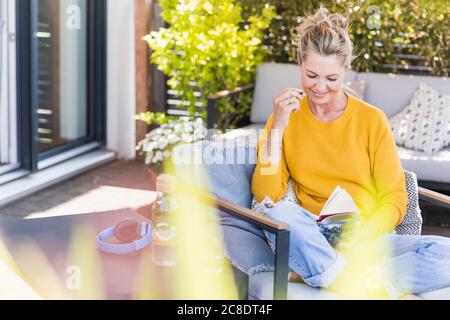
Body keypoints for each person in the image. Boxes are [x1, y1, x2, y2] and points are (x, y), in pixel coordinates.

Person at [251, 6, 450, 299]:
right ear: (299, 65)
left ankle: (337, 276)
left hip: (365, 239)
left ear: (346, 70)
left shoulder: (372, 120)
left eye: (331, 78)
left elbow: (395, 196)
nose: (320, 87)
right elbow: (266, 194)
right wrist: (278, 126)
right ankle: (358, 280)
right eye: (311, 75)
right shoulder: (285, 118)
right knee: (280, 215)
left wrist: (366, 232)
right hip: (313, 238)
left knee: (445, 252)